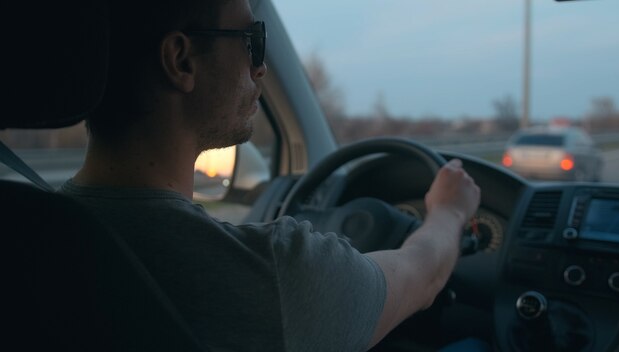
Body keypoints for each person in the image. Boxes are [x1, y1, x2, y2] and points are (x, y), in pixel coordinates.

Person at [60, 0, 481, 350]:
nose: (258, 68)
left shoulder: (27, 231)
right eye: (251, 41)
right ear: (181, 60)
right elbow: (420, 276)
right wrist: (449, 212)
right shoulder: (275, 273)